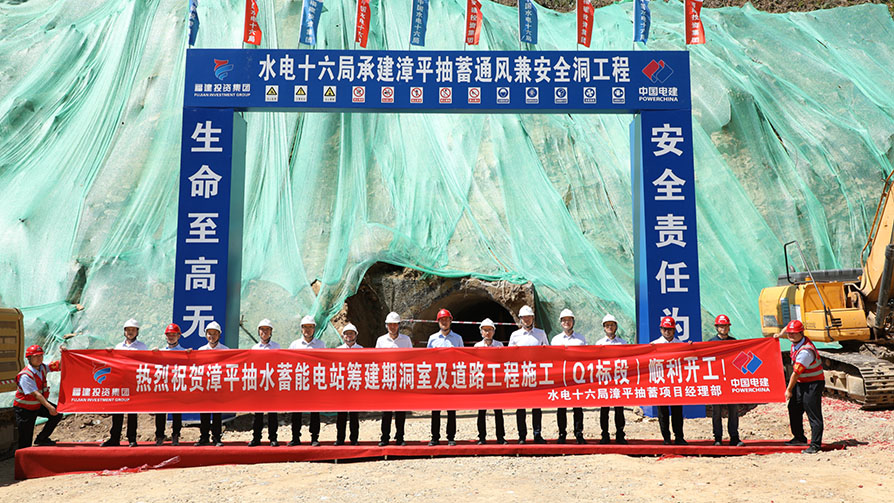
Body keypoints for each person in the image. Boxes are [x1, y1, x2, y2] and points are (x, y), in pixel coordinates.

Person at [777, 320, 824, 454]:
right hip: (802, 382)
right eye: (789, 333)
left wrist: (788, 390)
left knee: (813, 413)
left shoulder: (805, 352)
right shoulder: (796, 343)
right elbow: (787, 328)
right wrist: (780, 334)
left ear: (801, 333)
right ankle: (799, 437)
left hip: (813, 384)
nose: (790, 335)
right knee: (794, 407)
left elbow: (795, 374)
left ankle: (815, 445)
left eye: (794, 333)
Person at [102, 318, 147, 447]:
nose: (130, 332)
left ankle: (132, 438)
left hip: (134, 383)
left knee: (132, 412)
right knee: (117, 410)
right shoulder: (118, 347)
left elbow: (146, 362)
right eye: (128, 330)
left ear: (137, 332)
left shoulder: (142, 347)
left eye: (133, 330)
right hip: (120, 382)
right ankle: (114, 438)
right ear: (124, 331)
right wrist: (109, 354)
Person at [509, 305, 549, 444]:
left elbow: (547, 352)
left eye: (529, 317)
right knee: (521, 407)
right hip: (521, 376)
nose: (526, 320)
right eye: (524, 317)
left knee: (536, 407)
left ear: (533, 318)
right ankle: (522, 436)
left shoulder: (540, 334)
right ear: (520, 319)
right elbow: (509, 356)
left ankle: (537, 434)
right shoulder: (515, 335)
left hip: (536, 375)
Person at [427, 308, 464, 446]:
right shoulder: (432, 339)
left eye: (446, 319)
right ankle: (435, 437)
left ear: (450, 321)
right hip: (437, 377)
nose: (444, 322)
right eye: (441, 320)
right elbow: (428, 358)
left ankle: (451, 437)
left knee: (451, 409)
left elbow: (462, 357)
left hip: (451, 377)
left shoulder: (457, 338)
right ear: (438, 322)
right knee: (435, 409)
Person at [14, 345, 62, 448]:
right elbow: (36, 394)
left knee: (57, 414)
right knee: (25, 439)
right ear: (29, 358)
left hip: (37, 405)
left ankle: (42, 438)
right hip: (24, 409)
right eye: (35, 356)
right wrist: (50, 407)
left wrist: (64, 354)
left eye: (41, 355)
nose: (39, 358)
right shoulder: (25, 376)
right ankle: (23, 457)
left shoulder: (43, 367)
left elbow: (59, 366)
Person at [551, 309, 587, 444]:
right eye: (564, 320)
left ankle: (579, 434)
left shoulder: (581, 339)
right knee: (561, 408)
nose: (567, 322)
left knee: (578, 408)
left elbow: (587, 357)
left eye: (569, 320)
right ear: (560, 323)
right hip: (561, 378)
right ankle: (562, 434)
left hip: (577, 378)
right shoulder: (555, 340)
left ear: (573, 322)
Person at [376, 311, 412, 446]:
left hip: (401, 380)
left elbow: (411, 358)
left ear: (398, 325)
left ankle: (400, 437)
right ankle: (385, 437)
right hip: (386, 380)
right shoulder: (381, 341)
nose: (392, 327)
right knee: (386, 412)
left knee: (400, 411)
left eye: (395, 324)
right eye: (390, 324)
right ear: (386, 325)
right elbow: (376, 360)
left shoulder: (406, 340)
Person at [708, 314, 744, 447]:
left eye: (725, 326)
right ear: (716, 327)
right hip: (716, 381)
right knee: (716, 411)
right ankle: (717, 438)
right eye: (721, 326)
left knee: (733, 410)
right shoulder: (710, 343)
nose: (723, 328)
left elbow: (740, 360)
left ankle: (734, 437)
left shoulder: (734, 342)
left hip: (730, 381)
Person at [289, 315, 324, 446]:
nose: (307, 330)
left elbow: (324, 363)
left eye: (310, 327)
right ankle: (295, 438)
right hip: (299, 383)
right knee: (296, 412)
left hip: (314, 383)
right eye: (305, 327)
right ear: (301, 328)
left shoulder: (320, 345)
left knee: (315, 412)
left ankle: (314, 438)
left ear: (314, 329)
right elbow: (289, 363)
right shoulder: (295, 345)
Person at [652, 316, 686, 445]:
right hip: (661, 382)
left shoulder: (681, 345)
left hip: (676, 382)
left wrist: (690, 347)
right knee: (663, 412)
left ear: (674, 330)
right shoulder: (654, 345)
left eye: (670, 329)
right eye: (665, 329)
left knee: (677, 411)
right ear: (661, 329)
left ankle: (679, 437)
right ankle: (666, 438)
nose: (667, 332)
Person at [595, 313, 628, 444]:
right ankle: (605, 434)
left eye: (612, 325)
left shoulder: (623, 343)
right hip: (604, 380)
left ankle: (620, 434)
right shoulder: (599, 344)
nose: (610, 327)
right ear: (604, 327)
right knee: (604, 410)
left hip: (618, 380)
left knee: (619, 409)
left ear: (616, 327)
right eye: (607, 325)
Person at [473, 318, 506, 445]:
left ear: (494, 331)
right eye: (485, 330)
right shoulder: (477, 347)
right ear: (481, 331)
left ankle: (500, 437)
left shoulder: (499, 345)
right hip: (482, 382)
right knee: (481, 411)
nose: (487, 332)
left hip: (496, 382)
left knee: (498, 411)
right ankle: (481, 437)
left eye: (490, 330)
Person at [249, 318, 281, 447]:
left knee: (272, 413)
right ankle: (256, 438)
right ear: (258, 331)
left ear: (271, 332)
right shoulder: (254, 348)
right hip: (259, 385)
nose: (265, 332)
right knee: (258, 414)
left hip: (272, 384)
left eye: (267, 329)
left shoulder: (276, 347)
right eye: (262, 330)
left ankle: (273, 438)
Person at [154, 323, 186, 445]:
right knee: (160, 412)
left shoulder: (183, 352)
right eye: (169, 335)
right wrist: (153, 355)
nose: (171, 337)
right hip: (163, 386)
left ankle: (176, 435)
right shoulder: (160, 352)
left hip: (177, 386)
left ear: (179, 336)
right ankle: (159, 436)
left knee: (177, 412)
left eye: (174, 334)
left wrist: (190, 355)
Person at [196, 321, 227, 446]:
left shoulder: (225, 350)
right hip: (205, 387)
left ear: (219, 335)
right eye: (209, 333)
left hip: (218, 386)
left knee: (217, 414)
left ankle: (217, 437)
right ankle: (204, 437)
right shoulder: (201, 350)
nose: (212, 336)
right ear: (206, 335)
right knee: (204, 413)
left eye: (215, 334)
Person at [335, 323, 362, 446]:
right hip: (342, 388)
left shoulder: (362, 350)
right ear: (343, 336)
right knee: (341, 415)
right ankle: (340, 439)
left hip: (355, 387)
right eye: (346, 334)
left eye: (351, 333)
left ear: (355, 335)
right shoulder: (338, 350)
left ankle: (354, 439)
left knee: (354, 415)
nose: (349, 336)